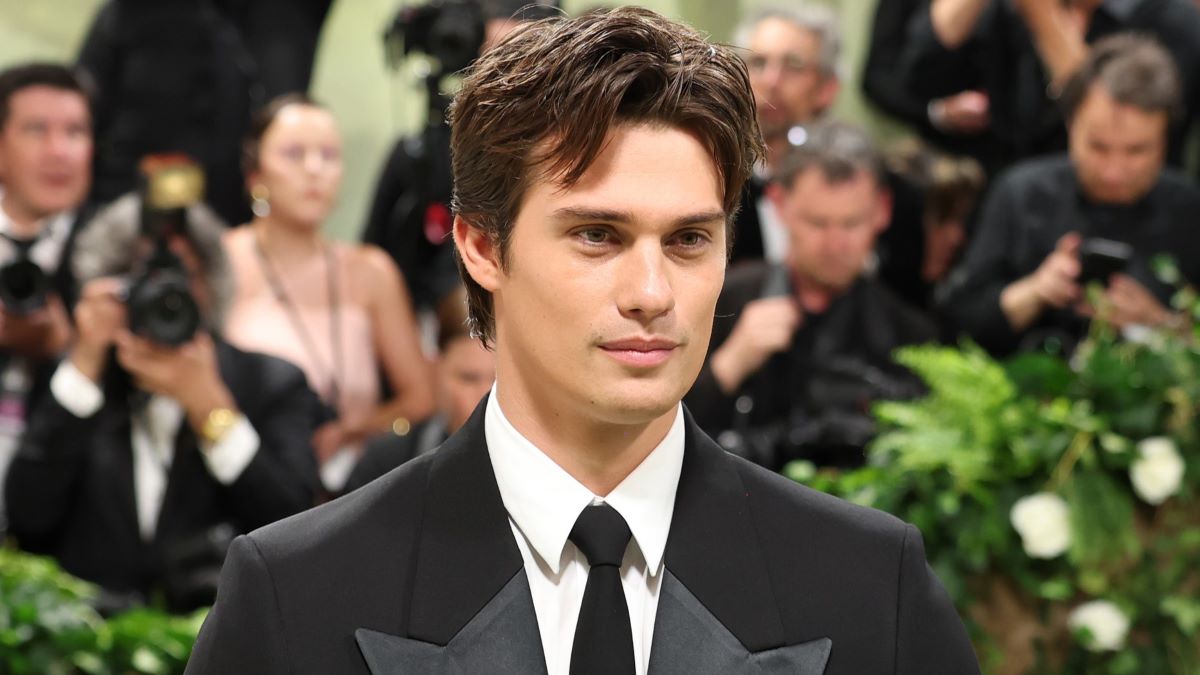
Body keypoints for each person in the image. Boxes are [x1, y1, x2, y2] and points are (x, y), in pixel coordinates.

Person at [185, 9, 978, 674]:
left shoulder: (873, 587)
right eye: (598, 235)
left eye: (690, 240)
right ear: (483, 247)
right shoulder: (296, 593)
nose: (652, 293)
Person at [4, 159, 322, 613]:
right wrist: (85, 364)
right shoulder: (77, 379)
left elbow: (291, 531)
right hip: (88, 640)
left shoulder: (269, 382)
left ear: (212, 286)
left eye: (183, 275)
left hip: (215, 639)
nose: (166, 295)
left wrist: (212, 410)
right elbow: (28, 519)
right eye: (143, 276)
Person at [686, 122, 937, 472]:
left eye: (852, 224)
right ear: (778, 203)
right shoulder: (718, 300)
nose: (835, 245)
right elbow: (649, 430)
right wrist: (729, 365)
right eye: (818, 223)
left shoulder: (909, 333)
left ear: (883, 211)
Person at [223, 94, 435, 492]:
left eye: (329, 155)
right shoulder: (223, 261)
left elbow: (420, 399)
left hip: (353, 487)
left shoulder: (370, 271)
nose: (315, 169)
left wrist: (356, 429)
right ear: (255, 173)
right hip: (243, 483)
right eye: (294, 154)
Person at [940, 35, 1200, 357]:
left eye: (1137, 151)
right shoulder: (1021, 193)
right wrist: (1036, 291)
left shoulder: (1189, 209)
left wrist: (1157, 323)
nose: (1113, 171)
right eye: (1097, 147)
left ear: (1166, 138)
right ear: (1070, 125)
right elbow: (957, 323)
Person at [902, 0, 1200, 175]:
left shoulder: (1174, 21)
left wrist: (1042, 15)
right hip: (1013, 207)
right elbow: (921, 78)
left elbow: (1100, 116)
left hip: (1135, 219)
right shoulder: (1009, 11)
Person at [0, 63, 96, 531]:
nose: (59, 152)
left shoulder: (112, 259)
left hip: (60, 519)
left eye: (75, 133)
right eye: (37, 130)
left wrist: (67, 351)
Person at [729, 4, 840, 266]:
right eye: (758, 62)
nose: (772, 80)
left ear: (827, 88)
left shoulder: (853, 184)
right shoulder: (717, 176)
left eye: (794, 65)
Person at [342, 323, 495, 493]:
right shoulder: (388, 462)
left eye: (498, 378)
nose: (486, 392)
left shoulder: (527, 463)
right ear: (435, 372)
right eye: (469, 378)